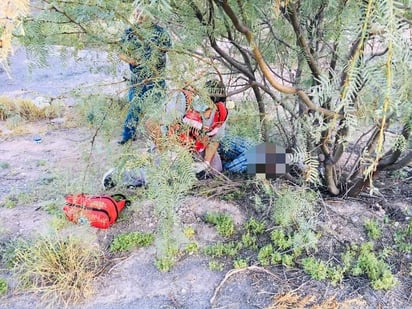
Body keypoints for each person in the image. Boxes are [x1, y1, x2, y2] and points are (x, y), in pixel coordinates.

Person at [118, 9, 171, 145]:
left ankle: (158, 138)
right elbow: (120, 53)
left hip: (156, 79)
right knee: (134, 107)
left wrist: (154, 57)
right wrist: (132, 60)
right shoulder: (129, 32)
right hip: (137, 79)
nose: (139, 15)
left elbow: (168, 50)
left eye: (143, 13)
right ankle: (127, 136)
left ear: (150, 14)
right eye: (137, 13)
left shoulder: (161, 33)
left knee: (156, 109)